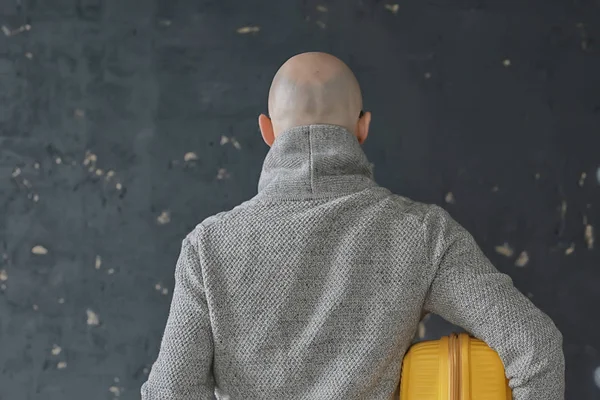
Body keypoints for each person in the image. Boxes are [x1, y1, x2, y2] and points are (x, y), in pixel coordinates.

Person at [141, 52, 565, 400]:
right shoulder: (422, 233)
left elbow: (169, 391)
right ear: (362, 128)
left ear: (267, 131)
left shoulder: (209, 245)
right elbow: (535, 347)